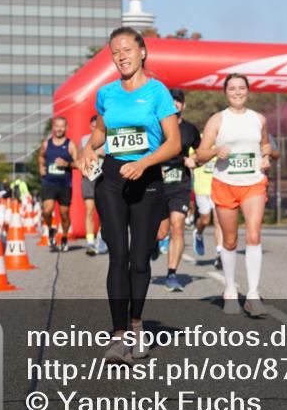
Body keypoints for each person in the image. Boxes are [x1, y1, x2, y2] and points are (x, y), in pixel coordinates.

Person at [80, 27, 181, 363]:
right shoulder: (107, 94)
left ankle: (137, 326)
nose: (121, 56)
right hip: (111, 179)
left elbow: (174, 142)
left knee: (139, 259)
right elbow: (99, 133)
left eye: (126, 49)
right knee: (118, 255)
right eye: (114, 52)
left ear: (143, 52)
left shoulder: (158, 93)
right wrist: (86, 150)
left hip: (147, 179)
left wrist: (145, 163)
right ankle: (119, 334)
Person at [196, 73, 272, 317]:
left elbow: (265, 145)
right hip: (225, 183)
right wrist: (216, 150)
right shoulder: (217, 120)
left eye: (241, 88)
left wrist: (267, 157)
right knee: (230, 241)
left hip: (253, 183)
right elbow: (200, 154)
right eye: (232, 89)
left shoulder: (259, 119)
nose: (237, 92)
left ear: (248, 91)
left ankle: (252, 295)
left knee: (253, 234)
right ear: (225, 92)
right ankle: (229, 289)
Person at [156, 89, 201, 292]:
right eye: (171, 101)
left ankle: (172, 274)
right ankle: (154, 245)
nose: (174, 104)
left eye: (178, 101)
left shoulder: (190, 130)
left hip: (180, 183)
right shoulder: (157, 126)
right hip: (157, 183)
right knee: (160, 232)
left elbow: (202, 151)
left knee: (178, 225)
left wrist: (196, 160)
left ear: (183, 105)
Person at [39, 116, 78, 252]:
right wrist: (41, 167)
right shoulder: (46, 143)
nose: (59, 129)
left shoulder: (70, 144)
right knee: (47, 210)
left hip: (65, 184)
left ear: (66, 128)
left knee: (64, 213)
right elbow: (41, 156)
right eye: (57, 126)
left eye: (62, 126)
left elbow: (78, 163)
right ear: (53, 128)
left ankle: (65, 237)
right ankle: (51, 229)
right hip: (49, 182)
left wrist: (67, 164)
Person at [80, 114, 107, 256]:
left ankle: (101, 239)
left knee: (104, 211)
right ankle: (90, 241)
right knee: (89, 209)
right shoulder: (84, 140)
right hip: (90, 176)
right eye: (93, 125)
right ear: (90, 126)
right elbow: (80, 157)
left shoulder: (108, 138)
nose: (95, 128)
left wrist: (105, 153)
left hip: (104, 176)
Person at [192, 152, 224, 269]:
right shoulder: (198, 144)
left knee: (218, 220)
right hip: (201, 188)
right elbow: (191, 159)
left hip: (218, 187)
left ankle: (219, 254)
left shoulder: (220, 141)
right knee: (205, 220)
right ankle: (198, 233)